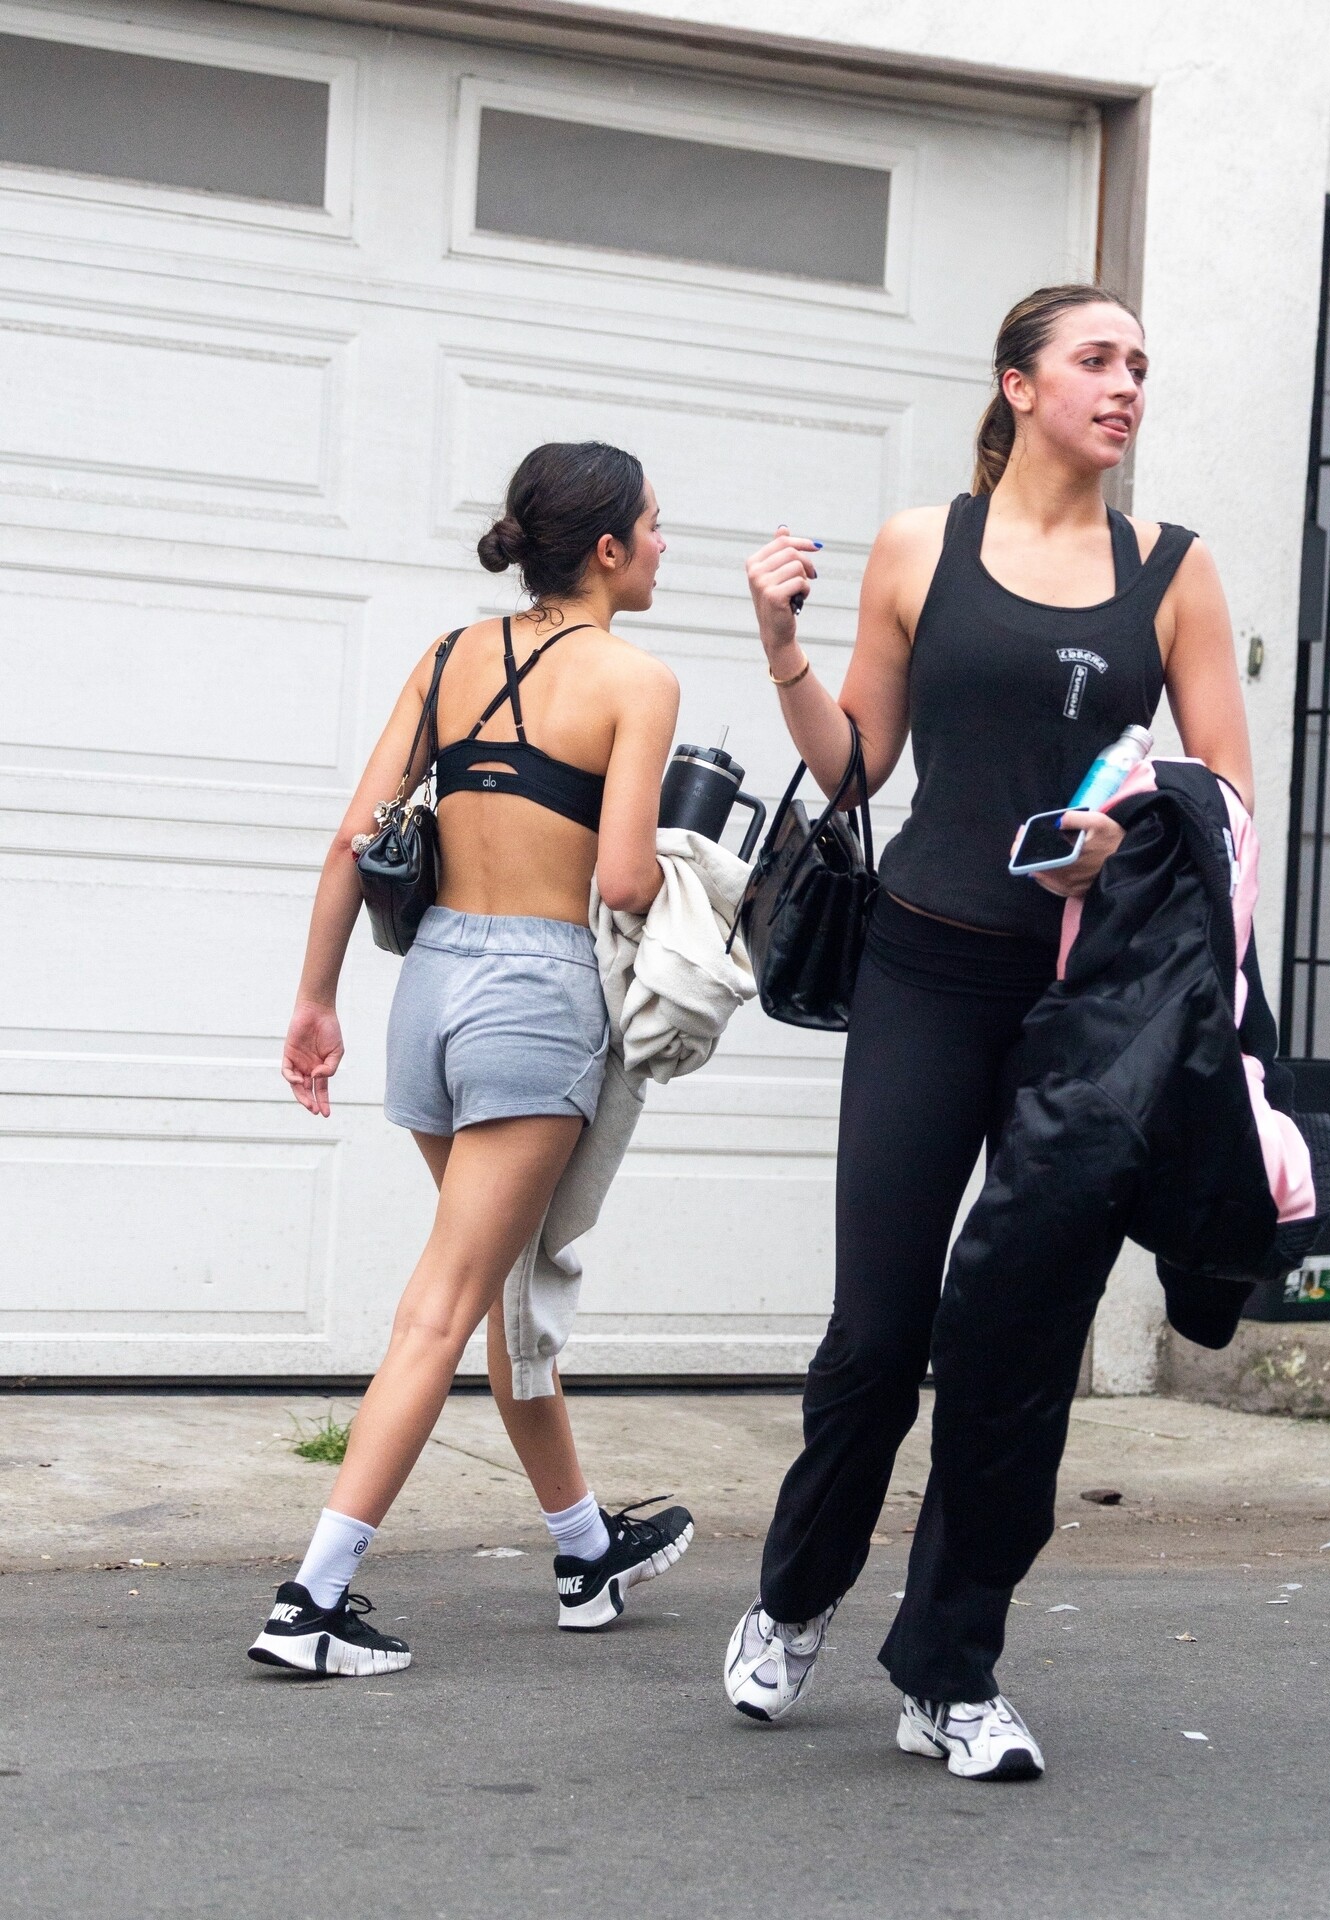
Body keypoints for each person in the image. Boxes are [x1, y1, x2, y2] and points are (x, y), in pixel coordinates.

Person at [724, 285, 1254, 1777]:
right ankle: (795, 1594)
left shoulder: (1173, 570)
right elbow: (858, 765)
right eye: (1096, 359)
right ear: (1018, 384)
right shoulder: (921, 546)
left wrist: (1128, 835)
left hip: (1089, 1010)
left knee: (1014, 1352)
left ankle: (950, 1674)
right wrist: (780, 646)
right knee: (879, 1330)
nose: (1125, 383)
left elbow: (1227, 788)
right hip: (923, 969)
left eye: (1139, 363)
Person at [250, 441, 694, 1677]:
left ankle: (584, 1550)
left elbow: (354, 839)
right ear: (605, 548)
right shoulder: (636, 681)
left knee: (501, 1285)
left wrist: (314, 997)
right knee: (443, 1308)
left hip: (432, 987)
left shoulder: (449, 656)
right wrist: (700, 867)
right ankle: (310, 1602)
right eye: (655, 526)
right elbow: (623, 881)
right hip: (536, 997)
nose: (665, 546)